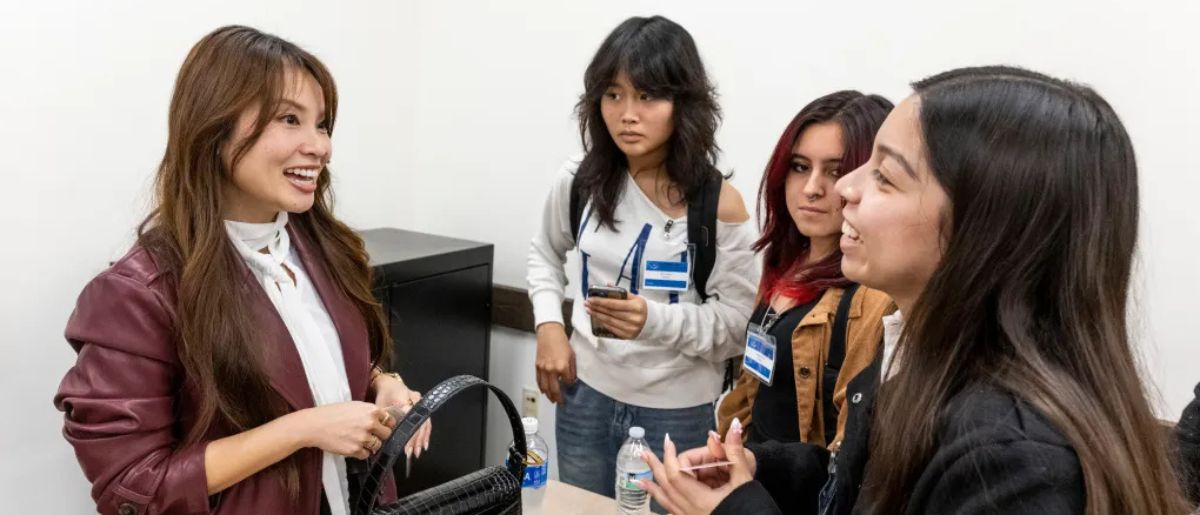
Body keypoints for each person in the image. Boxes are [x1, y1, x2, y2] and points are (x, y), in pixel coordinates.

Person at [641, 66, 1189, 515]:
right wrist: (764, 471)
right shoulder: (915, 348)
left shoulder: (1013, 464)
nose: (844, 191)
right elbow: (852, 488)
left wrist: (739, 509)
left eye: (884, 175)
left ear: (984, 229)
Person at [53, 26, 431, 515]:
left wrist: (382, 383)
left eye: (323, 124)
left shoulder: (325, 249)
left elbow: (304, 367)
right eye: (290, 119)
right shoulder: (137, 295)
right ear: (215, 128)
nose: (319, 146)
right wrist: (304, 429)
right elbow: (133, 488)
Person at [525, 15, 757, 498]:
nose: (627, 114)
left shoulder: (717, 203)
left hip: (679, 413)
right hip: (583, 396)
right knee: (579, 509)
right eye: (613, 94)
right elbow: (545, 255)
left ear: (683, 104)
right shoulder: (579, 179)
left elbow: (737, 325)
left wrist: (651, 321)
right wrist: (549, 327)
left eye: (648, 96)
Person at [717, 92, 894, 469]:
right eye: (800, 167)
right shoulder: (785, 261)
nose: (812, 187)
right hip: (749, 479)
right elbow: (753, 389)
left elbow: (850, 452)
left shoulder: (871, 296)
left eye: (835, 170)